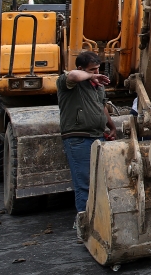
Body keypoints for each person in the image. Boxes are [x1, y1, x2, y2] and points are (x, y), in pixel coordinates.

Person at [57, 51, 117, 242]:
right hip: (78, 138)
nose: (97, 72)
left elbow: (101, 107)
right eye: (92, 70)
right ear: (82, 68)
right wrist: (91, 76)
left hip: (96, 137)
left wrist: (112, 126)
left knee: (100, 182)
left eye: (98, 68)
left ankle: (97, 223)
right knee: (84, 183)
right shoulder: (68, 82)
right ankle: (84, 226)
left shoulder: (96, 86)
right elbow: (73, 75)